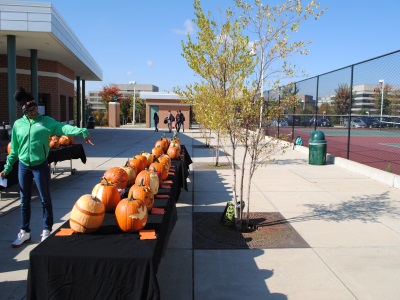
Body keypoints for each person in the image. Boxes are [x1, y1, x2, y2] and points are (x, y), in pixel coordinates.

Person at [0, 87, 94, 248]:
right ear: (24, 110)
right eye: (30, 109)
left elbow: (63, 128)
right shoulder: (18, 125)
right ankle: (25, 231)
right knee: (24, 201)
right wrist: (7, 169)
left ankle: (46, 230)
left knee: (45, 199)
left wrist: (81, 130)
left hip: (40, 166)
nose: (34, 110)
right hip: (23, 167)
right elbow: (14, 150)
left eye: (35, 107)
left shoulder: (46, 121)